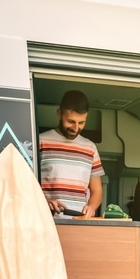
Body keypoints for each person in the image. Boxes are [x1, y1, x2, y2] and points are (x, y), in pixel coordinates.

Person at [39, 90, 104, 218]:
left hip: (79, 224)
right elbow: (26, 185)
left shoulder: (90, 148)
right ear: (59, 114)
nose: (75, 128)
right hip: (47, 222)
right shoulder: (40, 141)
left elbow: (97, 191)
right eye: (71, 121)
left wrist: (91, 207)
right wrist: (44, 202)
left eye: (81, 123)